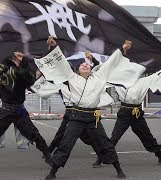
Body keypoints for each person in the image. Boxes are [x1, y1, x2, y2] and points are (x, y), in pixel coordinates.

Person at [41, 37, 133, 179]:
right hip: (76, 117)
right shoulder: (71, 77)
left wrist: (123, 49)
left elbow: (110, 63)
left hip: (92, 118)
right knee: (66, 144)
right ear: (77, 69)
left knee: (105, 143)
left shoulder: (99, 77)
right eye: (82, 64)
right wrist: (54, 47)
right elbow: (61, 62)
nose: (85, 65)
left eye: (87, 64)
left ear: (91, 69)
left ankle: (118, 169)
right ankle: (52, 172)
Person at [0, 51, 52, 168]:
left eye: (18, 59)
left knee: (34, 134)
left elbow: (30, 80)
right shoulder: (2, 72)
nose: (17, 60)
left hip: (19, 111)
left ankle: (48, 155)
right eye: (14, 59)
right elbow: (1, 72)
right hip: (6, 110)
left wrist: (23, 63)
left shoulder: (23, 73)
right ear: (10, 60)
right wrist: (17, 65)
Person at [91, 70, 161, 168]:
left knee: (148, 137)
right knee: (114, 138)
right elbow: (104, 71)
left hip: (137, 114)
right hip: (124, 113)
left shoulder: (144, 81)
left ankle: (160, 157)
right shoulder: (119, 81)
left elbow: (159, 73)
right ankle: (100, 159)